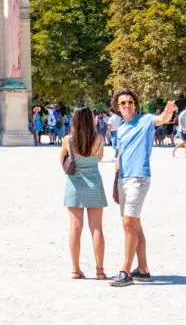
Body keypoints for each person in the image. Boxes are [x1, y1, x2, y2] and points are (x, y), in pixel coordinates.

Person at [110, 90, 177, 288]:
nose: (127, 105)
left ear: (135, 104)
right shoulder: (121, 129)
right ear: (118, 107)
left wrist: (168, 111)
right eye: (123, 103)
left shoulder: (146, 120)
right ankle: (143, 269)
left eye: (130, 102)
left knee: (129, 223)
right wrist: (115, 184)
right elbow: (119, 157)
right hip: (123, 179)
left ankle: (126, 271)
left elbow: (162, 119)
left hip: (139, 178)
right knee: (134, 224)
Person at [62, 106, 107, 280]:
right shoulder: (99, 138)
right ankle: (100, 269)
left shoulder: (68, 140)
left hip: (74, 185)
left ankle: (75, 269)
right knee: (97, 228)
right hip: (94, 183)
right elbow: (100, 158)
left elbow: (63, 161)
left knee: (75, 228)